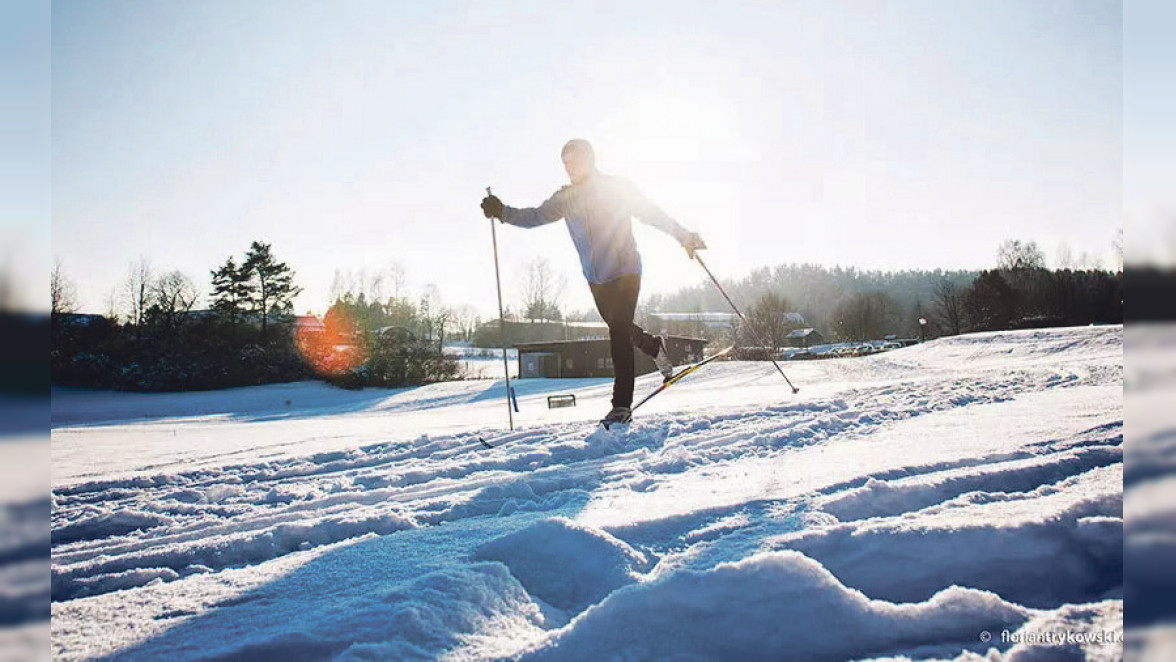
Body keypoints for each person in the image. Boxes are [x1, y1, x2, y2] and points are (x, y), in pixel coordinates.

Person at [481, 138, 706, 427]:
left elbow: (651, 213)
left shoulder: (615, 188)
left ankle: (621, 405)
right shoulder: (565, 198)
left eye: (573, 160)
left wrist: (683, 235)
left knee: (618, 333)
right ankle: (653, 346)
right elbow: (535, 216)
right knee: (620, 328)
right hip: (596, 279)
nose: (568, 167)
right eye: (564, 163)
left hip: (626, 270)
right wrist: (502, 212)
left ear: (589, 159)